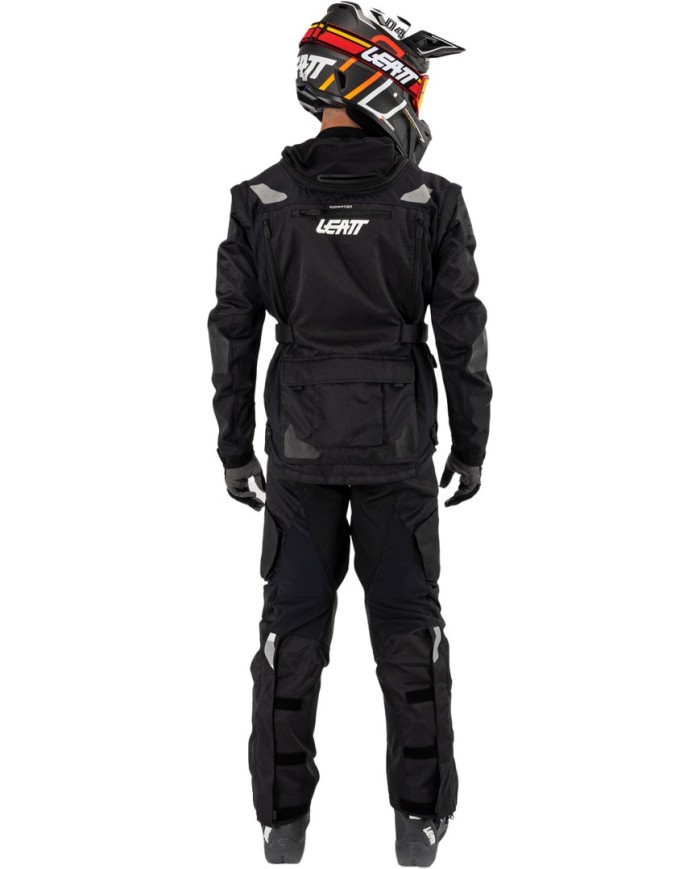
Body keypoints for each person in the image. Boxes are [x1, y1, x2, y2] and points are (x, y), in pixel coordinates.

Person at [207, 4, 492, 864]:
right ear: (383, 83)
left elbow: (232, 333)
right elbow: (462, 333)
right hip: (398, 454)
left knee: (290, 636)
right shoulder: (430, 200)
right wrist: (472, 443)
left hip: (297, 455)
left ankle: (281, 822)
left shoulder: (261, 199)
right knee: (409, 637)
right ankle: (419, 819)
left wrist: (233, 446)